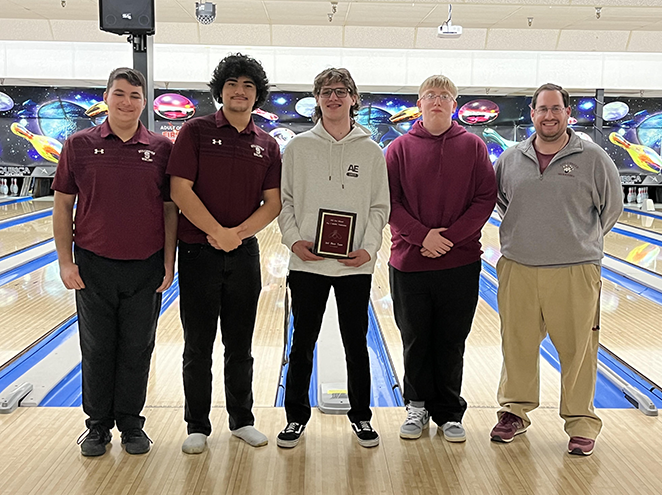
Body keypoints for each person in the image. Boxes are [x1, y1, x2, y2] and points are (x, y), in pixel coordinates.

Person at [492, 83, 623, 456]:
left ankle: (581, 423)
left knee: (578, 349)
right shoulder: (511, 158)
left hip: (574, 269)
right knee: (516, 345)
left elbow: (611, 208)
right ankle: (514, 412)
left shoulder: (593, 157)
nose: (548, 115)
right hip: (519, 266)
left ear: (569, 114)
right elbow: (504, 201)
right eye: (541, 109)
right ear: (531, 114)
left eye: (556, 109)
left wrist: (579, 240)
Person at [52, 67, 177, 457]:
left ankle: (131, 424)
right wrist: (64, 262)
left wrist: (169, 263)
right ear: (106, 98)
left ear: (144, 102)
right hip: (93, 265)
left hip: (145, 265)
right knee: (98, 348)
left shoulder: (161, 148)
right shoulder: (78, 144)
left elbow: (170, 209)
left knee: (138, 349)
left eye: (135, 96)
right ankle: (97, 427)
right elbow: (62, 205)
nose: (126, 102)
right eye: (119, 94)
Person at [167, 53, 281, 454]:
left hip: (244, 254)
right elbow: (180, 189)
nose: (240, 91)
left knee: (241, 345)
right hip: (198, 252)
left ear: (257, 95)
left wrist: (238, 235)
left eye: (248, 85)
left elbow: (273, 202)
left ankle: (242, 420)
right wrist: (217, 233)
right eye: (233, 84)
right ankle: (197, 424)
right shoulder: (195, 132)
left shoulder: (266, 144)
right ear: (221, 90)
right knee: (198, 346)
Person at [276, 68, 390, 449]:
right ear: (317, 99)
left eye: (341, 91)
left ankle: (361, 416)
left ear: (353, 98)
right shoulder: (298, 148)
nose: (333, 97)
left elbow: (379, 207)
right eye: (326, 91)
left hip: (354, 265)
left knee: (355, 343)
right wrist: (293, 241)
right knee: (302, 341)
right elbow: (285, 202)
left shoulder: (371, 151)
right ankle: (295, 418)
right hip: (307, 262)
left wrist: (369, 249)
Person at [385, 75, 496, 443]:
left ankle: (448, 411)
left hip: (459, 262)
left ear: (454, 104)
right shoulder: (398, 148)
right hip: (409, 262)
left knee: (451, 339)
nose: (437, 100)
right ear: (419, 102)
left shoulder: (474, 146)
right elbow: (389, 201)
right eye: (430, 95)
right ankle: (416, 405)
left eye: (444, 95)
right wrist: (423, 237)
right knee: (415, 338)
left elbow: (484, 199)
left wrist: (448, 239)